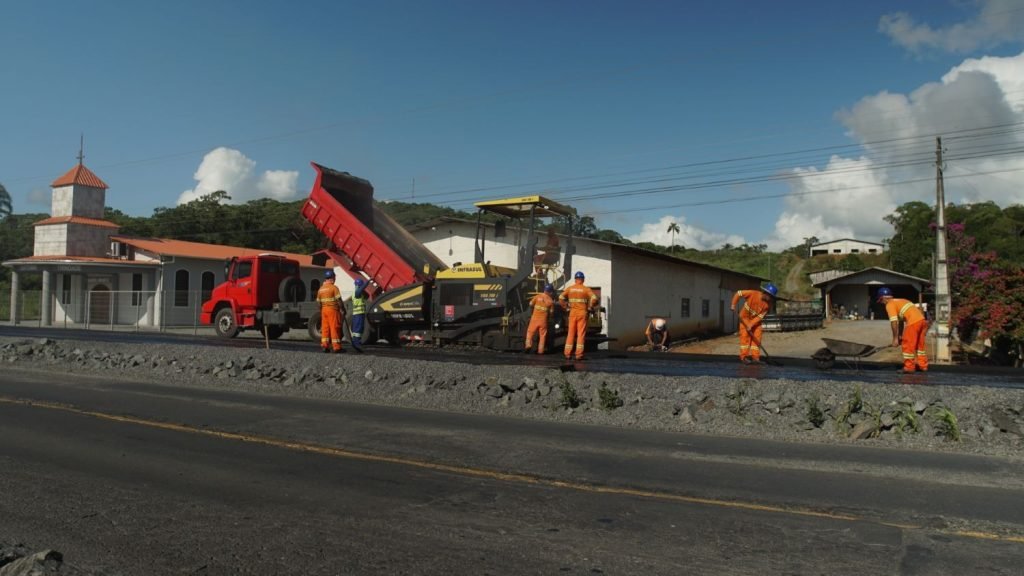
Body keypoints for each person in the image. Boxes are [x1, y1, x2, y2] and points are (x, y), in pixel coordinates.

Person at [877, 287, 928, 373]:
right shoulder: (901, 301)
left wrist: (895, 339)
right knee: (920, 346)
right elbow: (900, 322)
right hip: (922, 321)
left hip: (913, 322)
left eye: (881, 301)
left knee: (907, 344)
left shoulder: (889, 304)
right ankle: (922, 366)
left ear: (883, 298)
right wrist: (900, 335)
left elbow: (894, 322)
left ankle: (909, 367)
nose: (882, 303)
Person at [730, 283, 777, 364]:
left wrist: (751, 324)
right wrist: (733, 304)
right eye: (770, 296)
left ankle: (755, 357)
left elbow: (760, 317)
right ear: (765, 293)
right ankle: (744, 357)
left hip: (756, 321)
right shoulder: (753, 293)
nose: (770, 299)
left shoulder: (768, 305)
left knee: (757, 338)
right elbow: (738, 293)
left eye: (772, 297)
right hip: (745, 318)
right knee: (745, 337)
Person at [558, 271, 598, 361]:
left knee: (570, 334)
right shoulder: (586, 289)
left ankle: (567, 354)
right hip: (582, 314)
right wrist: (591, 306)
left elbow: (560, 297)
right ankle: (579, 355)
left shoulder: (570, 289)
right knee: (580, 334)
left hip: (572, 313)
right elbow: (594, 298)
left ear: (575, 279)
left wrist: (566, 307)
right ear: (583, 279)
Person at [316, 270, 346, 353]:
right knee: (334, 328)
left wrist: (321, 311)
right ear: (332, 278)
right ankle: (336, 347)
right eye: (334, 277)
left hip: (324, 310)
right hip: (333, 310)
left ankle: (325, 346)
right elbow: (339, 300)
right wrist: (343, 309)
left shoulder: (321, 289)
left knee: (325, 328)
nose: (335, 279)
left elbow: (318, 303)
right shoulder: (334, 288)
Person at [524, 284, 555, 354]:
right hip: (543, 320)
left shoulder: (538, 296)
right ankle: (540, 351)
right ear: (550, 292)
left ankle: (528, 345)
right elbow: (552, 313)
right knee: (542, 336)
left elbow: (530, 304)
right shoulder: (551, 301)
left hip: (534, 318)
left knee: (530, 332)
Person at [349, 277, 368, 353]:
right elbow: (359, 292)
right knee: (357, 329)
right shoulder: (357, 292)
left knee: (358, 329)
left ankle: (356, 342)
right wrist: (366, 283)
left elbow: (366, 296)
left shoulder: (358, 292)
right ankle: (356, 343)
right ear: (360, 285)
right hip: (358, 314)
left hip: (359, 314)